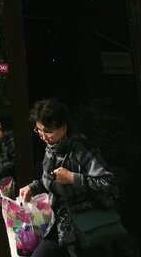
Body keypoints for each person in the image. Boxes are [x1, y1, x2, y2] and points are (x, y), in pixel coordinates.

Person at [19, 98, 119, 257]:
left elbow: (108, 183)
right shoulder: (51, 149)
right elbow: (52, 180)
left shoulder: (80, 148)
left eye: (48, 131)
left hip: (85, 225)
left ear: (64, 127)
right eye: (39, 130)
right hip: (60, 225)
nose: (44, 136)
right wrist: (33, 187)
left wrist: (73, 178)